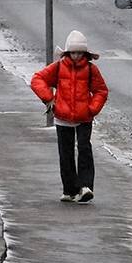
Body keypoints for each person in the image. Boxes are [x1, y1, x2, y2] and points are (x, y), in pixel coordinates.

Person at [30, 30, 109, 204]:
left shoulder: (90, 69)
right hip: (62, 117)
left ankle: (86, 187)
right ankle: (70, 190)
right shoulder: (58, 67)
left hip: (84, 118)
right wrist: (49, 99)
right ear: (67, 53)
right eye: (73, 52)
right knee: (65, 154)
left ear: (85, 54)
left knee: (84, 150)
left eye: (79, 52)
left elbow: (101, 91)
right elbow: (37, 79)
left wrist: (92, 109)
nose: (76, 56)